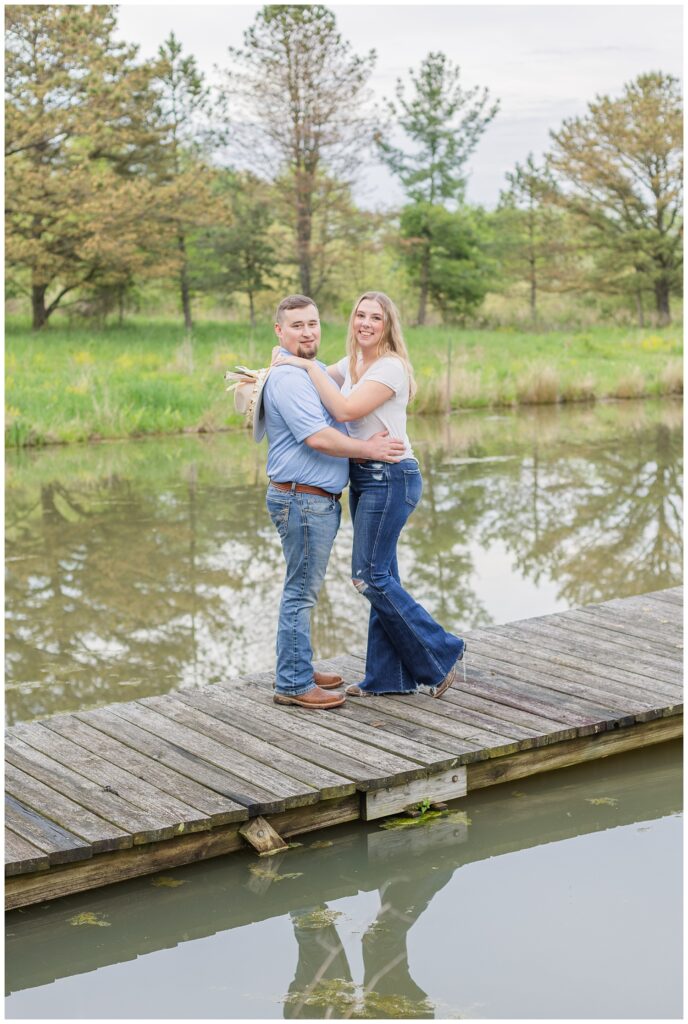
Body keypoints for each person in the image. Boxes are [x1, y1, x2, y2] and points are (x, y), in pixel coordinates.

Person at [273, 291, 466, 697]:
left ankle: (442, 652)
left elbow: (343, 410)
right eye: (360, 315)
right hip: (365, 478)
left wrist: (301, 366)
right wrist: (287, 365)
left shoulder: (391, 367)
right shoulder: (355, 362)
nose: (365, 323)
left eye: (375, 317)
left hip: (392, 476)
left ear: (388, 325)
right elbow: (325, 375)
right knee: (384, 575)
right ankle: (388, 679)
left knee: (369, 576)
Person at [264, 294, 406, 710]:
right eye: (297, 326)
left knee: (303, 588)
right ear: (280, 331)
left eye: (312, 323)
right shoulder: (291, 378)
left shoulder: (305, 371)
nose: (307, 332)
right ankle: (292, 683)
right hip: (302, 500)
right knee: (300, 592)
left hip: (310, 500)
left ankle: (298, 666)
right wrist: (369, 449)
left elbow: (333, 401)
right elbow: (319, 437)